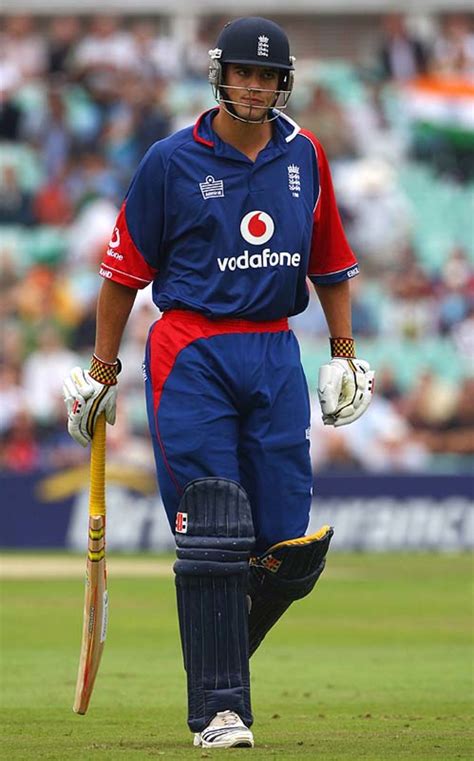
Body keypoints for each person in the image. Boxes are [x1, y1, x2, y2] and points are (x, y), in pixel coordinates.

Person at [63, 17, 374, 750]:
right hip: (192, 347)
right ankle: (219, 709)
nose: (256, 86)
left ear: (283, 82)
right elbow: (121, 275)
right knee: (214, 525)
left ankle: (214, 655)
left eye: (268, 76)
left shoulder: (307, 157)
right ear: (220, 75)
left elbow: (330, 262)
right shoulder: (171, 161)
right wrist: (103, 371)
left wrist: (344, 352)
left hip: (273, 348)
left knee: (289, 548)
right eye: (244, 73)